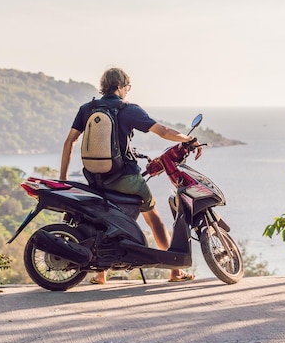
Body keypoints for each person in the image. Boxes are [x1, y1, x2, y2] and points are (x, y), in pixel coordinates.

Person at [59, 67, 202, 284]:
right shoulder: (128, 110)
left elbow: (69, 142)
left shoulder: (87, 108)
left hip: (95, 179)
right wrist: (187, 140)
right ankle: (175, 271)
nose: (128, 91)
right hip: (126, 180)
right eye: (127, 86)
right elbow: (163, 131)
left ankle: (100, 274)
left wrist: (63, 178)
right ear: (119, 86)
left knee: (102, 220)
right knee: (154, 219)